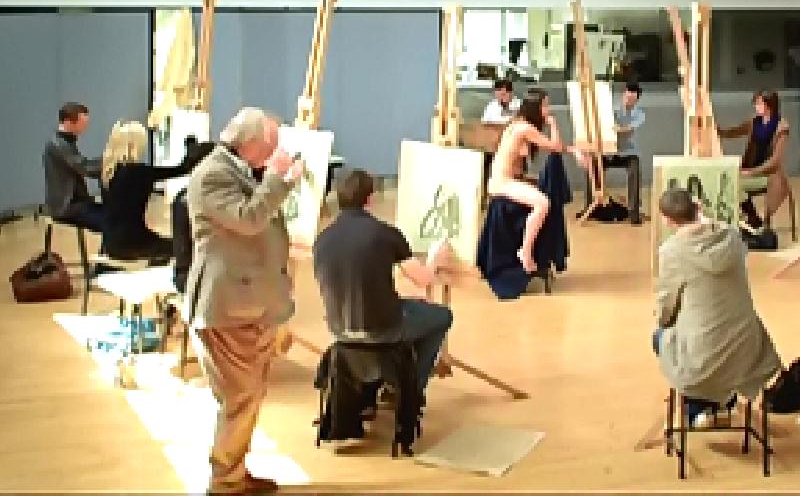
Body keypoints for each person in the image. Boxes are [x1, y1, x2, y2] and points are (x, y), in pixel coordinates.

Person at [181, 107, 305, 494]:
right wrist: (278, 180)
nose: (275, 152)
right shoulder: (213, 175)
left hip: (248, 303)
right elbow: (249, 219)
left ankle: (234, 471)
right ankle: (225, 481)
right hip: (227, 306)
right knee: (240, 396)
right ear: (250, 143)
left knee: (248, 396)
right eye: (271, 144)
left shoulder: (239, 170)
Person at [312, 169, 455, 396]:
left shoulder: (322, 239)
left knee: (412, 308)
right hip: (382, 329)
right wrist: (436, 260)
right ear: (370, 199)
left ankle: (389, 381)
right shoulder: (385, 234)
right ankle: (409, 388)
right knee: (442, 316)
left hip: (338, 328)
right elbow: (422, 279)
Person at [653, 188, 782, 429]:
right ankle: (722, 401)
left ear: (668, 221)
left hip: (705, 356)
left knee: (662, 337)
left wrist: (664, 319)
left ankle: (699, 409)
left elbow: (666, 307)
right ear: (698, 207)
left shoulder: (672, 251)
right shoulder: (732, 236)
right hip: (748, 349)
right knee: (713, 338)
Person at [488, 92, 585, 274]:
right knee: (543, 203)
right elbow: (555, 146)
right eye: (545, 106)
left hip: (508, 180)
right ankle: (525, 251)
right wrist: (553, 123)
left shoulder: (518, 124)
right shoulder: (524, 128)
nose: (547, 111)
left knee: (542, 191)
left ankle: (537, 252)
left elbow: (555, 147)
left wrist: (573, 150)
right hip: (503, 182)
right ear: (535, 108)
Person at [95, 120, 189, 262]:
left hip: (110, 242)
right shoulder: (138, 172)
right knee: (182, 247)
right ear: (135, 146)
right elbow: (181, 169)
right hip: (133, 242)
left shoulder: (107, 172)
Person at [718, 91, 790, 234]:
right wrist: (721, 132)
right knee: (730, 183)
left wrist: (751, 172)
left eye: (759, 103)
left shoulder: (781, 127)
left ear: (769, 105)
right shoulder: (755, 121)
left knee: (736, 186)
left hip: (769, 173)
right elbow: (737, 131)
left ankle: (755, 221)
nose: (756, 106)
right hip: (752, 168)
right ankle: (753, 219)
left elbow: (775, 161)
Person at [43, 102, 106, 234]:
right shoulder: (58, 144)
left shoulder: (64, 142)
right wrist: (110, 160)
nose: (84, 128)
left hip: (76, 203)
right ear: (68, 122)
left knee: (115, 217)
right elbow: (85, 168)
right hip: (67, 207)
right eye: (82, 124)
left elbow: (84, 165)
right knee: (112, 223)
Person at [600, 82, 647, 222]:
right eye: (628, 95)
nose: (629, 98)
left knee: (634, 170)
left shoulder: (640, 114)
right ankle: (592, 207)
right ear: (623, 94)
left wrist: (616, 129)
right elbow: (603, 123)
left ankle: (634, 213)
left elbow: (629, 129)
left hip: (628, 153)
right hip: (608, 151)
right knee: (592, 166)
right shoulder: (612, 110)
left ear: (637, 99)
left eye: (633, 96)